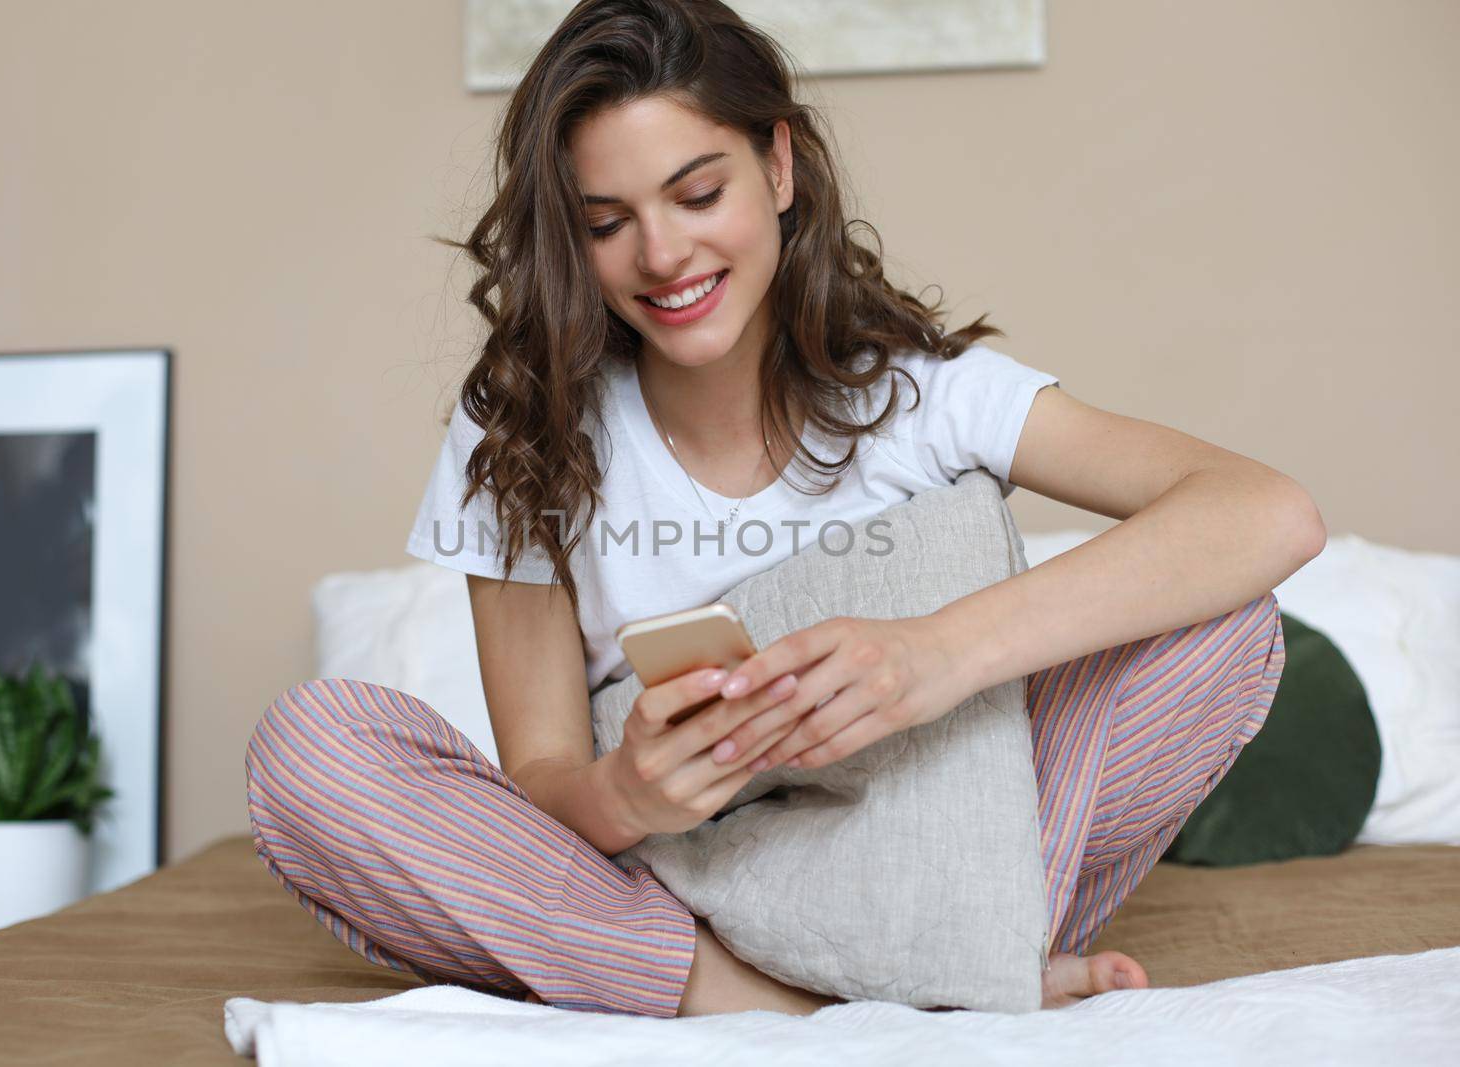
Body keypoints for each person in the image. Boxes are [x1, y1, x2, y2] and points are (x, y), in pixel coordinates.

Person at [245, 0, 1322, 1018]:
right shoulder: (523, 426)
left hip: (936, 837)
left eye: (698, 194)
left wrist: (932, 656)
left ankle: (933, 943)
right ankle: (798, 994)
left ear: (778, 164)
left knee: (1224, 625)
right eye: (606, 221)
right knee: (316, 749)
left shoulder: (917, 394)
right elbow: (542, 778)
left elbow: (1264, 511)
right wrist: (626, 794)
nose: (662, 255)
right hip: (669, 879)